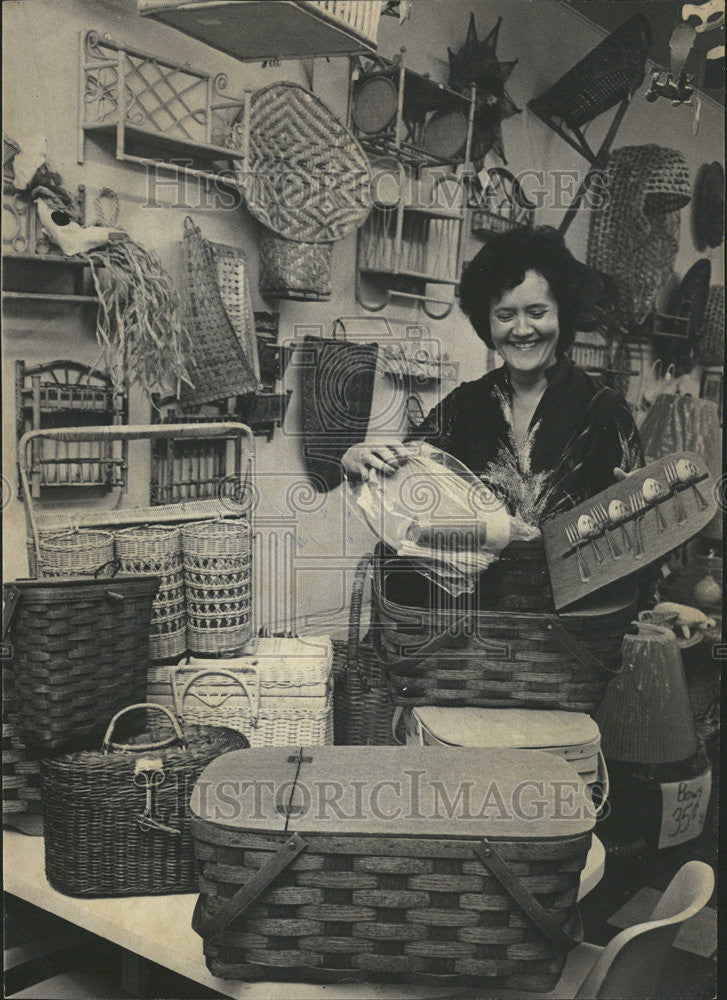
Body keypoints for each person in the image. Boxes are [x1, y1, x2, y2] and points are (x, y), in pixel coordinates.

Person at [342, 226, 643, 526]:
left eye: (537, 313)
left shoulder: (602, 409)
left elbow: (635, 533)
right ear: (486, 322)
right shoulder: (464, 405)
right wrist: (357, 460)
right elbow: (407, 481)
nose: (522, 330)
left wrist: (640, 513)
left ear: (562, 315)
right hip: (470, 575)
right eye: (505, 316)